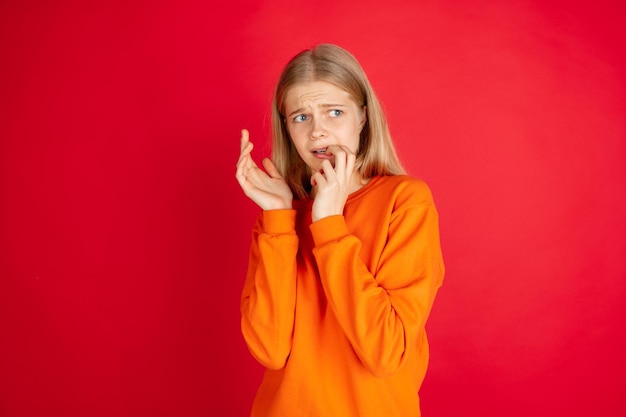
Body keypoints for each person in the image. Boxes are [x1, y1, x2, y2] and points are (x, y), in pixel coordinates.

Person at [235, 43, 444, 417]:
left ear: (363, 117)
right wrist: (279, 218)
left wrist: (329, 223)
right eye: (301, 117)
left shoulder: (406, 200)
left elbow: (385, 351)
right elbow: (269, 348)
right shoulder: (279, 218)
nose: (318, 132)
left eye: (335, 112)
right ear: (286, 126)